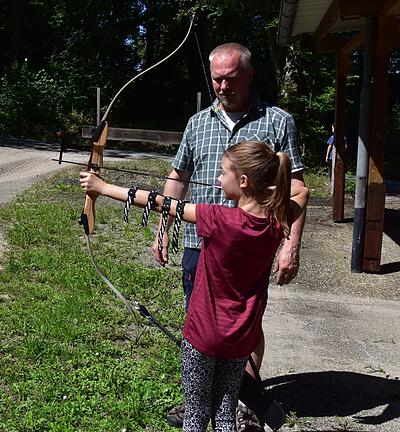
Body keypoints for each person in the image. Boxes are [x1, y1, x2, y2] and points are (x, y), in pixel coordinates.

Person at [80, 140, 308, 432]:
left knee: (196, 416)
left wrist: (102, 188)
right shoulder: (277, 222)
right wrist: (266, 188)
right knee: (225, 414)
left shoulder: (219, 219)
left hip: (202, 337)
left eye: (223, 173)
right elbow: (302, 191)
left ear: (243, 181)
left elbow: (158, 201)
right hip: (239, 339)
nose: (217, 179)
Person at [160, 43, 308, 430]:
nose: (222, 87)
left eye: (230, 79)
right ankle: (201, 400)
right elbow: (178, 178)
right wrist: (164, 231)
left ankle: (242, 400)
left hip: (251, 251)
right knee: (202, 324)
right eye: (216, 79)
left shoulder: (278, 121)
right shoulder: (198, 123)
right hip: (200, 245)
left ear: (249, 75)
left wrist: (290, 245)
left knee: (245, 323)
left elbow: (296, 190)